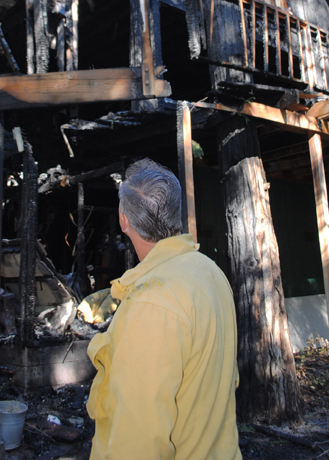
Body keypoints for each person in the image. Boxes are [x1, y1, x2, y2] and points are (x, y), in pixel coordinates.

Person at [87, 158, 241, 460]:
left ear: (123, 220)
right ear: (175, 215)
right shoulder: (210, 272)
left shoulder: (151, 303)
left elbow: (138, 440)